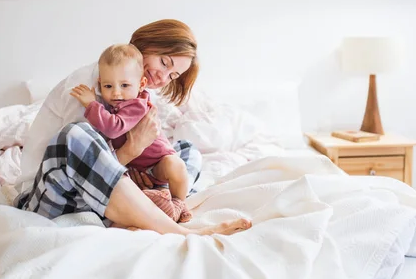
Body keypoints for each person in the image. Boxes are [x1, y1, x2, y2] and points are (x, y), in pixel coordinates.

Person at [14, 19, 251, 236]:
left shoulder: (138, 91)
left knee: (186, 150)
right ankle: (180, 230)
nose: (162, 77)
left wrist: (143, 172)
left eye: (172, 75)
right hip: (54, 193)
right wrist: (133, 150)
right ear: (146, 43)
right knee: (76, 133)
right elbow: (81, 163)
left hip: (108, 188)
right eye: (164, 62)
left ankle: (165, 205)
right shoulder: (85, 87)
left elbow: (128, 157)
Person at [71, 43, 192, 222]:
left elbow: (113, 128)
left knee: (177, 165)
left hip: (158, 163)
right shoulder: (118, 102)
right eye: (108, 86)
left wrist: (91, 104)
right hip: (135, 168)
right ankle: (156, 198)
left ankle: (180, 204)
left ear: (141, 84)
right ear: (100, 84)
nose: (116, 93)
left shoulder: (137, 104)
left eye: (125, 85)